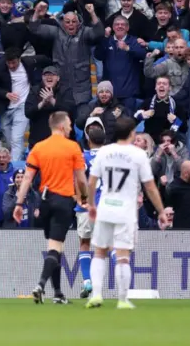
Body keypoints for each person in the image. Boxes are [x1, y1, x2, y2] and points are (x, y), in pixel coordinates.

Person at [85, 118, 169, 309]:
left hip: (105, 206)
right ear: (132, 133)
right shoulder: (138, 154)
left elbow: (91, 182)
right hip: (126, 210)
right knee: (122, 255)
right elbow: (149, 186)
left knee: (99, 252)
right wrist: (161, 211)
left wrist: (91, 204)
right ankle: (122, 300)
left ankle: (96, 295)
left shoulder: (104, 152)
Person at [13, 111, 87, 305]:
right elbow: (80, 178)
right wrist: (85, 198)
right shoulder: (72, 147)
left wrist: (19, 203)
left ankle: (58, 293)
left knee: (56, 247)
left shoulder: (39, 147)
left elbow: (28, 178)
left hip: (44, 202)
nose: (71, 127)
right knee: (55, 247)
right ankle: (40, 285)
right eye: (69, 124)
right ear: (62, 126)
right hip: (63, 201)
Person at [74, 119, 105, 298]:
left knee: (85, 243)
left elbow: (79, 179)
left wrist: (81, 200)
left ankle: (87, 281)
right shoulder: (112, 156)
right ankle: (123, 285)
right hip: (107, 207)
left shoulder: (83, 157)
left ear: (87, 138)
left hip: (87, 208)